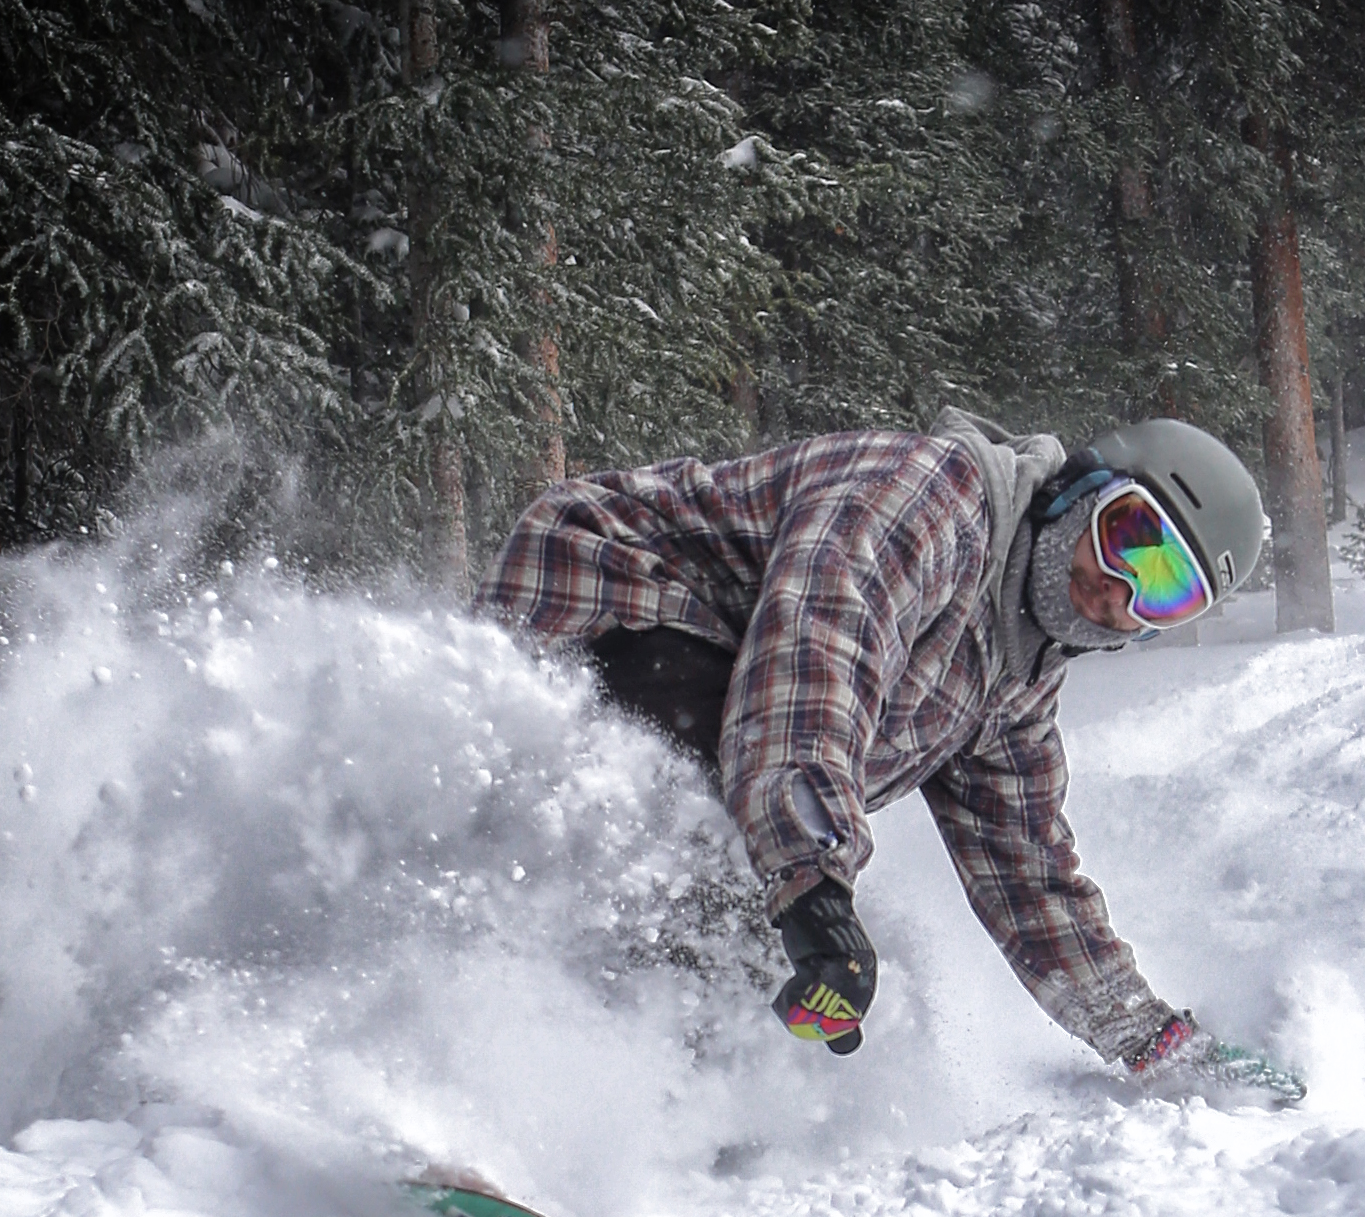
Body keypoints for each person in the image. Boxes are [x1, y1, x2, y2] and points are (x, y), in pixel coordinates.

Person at [478, 406, 1280, 1086]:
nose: (1119, 589)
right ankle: (509, 1075)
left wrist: (1152, 1043)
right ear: (1083, 490)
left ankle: (626, 1116)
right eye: (1125, 538)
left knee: (745, 931)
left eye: (1164, 591)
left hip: (728, 717)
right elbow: (815, 657)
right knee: (704, 849)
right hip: (612, 604)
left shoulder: (1014, 680)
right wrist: (814, 883)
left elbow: (1028, 872)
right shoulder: (934, 498)